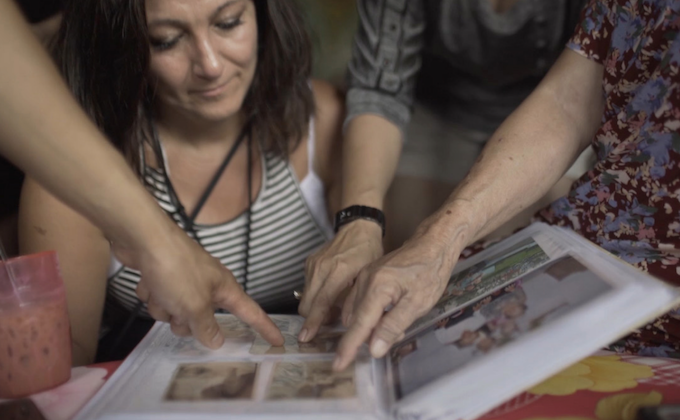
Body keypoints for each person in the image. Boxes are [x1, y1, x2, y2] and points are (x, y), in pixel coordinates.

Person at [331, 0, 680, 371]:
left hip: (658, 291)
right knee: (398, 327)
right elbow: (568, 102)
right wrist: (437, 241)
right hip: (586, 241)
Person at [18, 0, 344, 365]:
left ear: (264, 14)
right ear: (121, 46)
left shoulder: (328, 122)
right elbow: (57, 379)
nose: (211, 65)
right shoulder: (68, 178)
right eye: (166, 40)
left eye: (229, 23)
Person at [297, 0, 590, 344]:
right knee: (393, 258)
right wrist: (360, 221)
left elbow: (573, 99)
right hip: (434, 107)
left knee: (547, 256)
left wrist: (442, 238)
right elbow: (379, 88)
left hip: (550, 111)